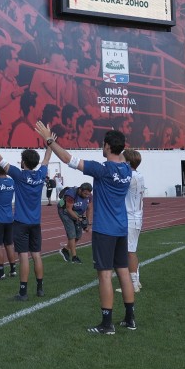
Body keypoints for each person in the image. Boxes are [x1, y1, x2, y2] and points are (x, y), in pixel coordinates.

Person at [36, 121, 136, 334]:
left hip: (105, 229)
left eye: (104, 144)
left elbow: (66, 158)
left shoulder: (103, 169)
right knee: (124, 272)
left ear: (108, 146)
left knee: (105, 275)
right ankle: (130, 319)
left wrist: (50, 140)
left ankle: (107, 324)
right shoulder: (127, 169)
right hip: (121, 228)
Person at [0, 140, 52, 301]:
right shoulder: (41, 174)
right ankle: (40, 288)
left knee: (23, 256)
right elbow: (47, 159)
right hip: (36, 223)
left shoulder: (19, 175)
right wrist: (50, 143)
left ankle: (23, 292)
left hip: (21, 222)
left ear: (24, 162)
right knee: (36, 255)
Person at [124, 149, 145, 292]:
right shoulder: (139, 175)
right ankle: (136, 281)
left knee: (130, 251)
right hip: (135, 216)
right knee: (131, 250)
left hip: (131, 217)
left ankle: (133, 284)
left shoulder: (130, 176)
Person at [57, 183, 93, 265]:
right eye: (85, 194)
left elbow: (89, 209)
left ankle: (65, 250)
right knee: (72, 234)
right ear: (80, 190)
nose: (86, 196)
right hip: (65, 211)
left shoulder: (89, 196)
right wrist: (78, 219)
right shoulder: (71, 194)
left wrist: (88, 223)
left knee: (78, 235)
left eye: (88, 194)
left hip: (77, 212)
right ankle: (74, 257)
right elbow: (69, 209)